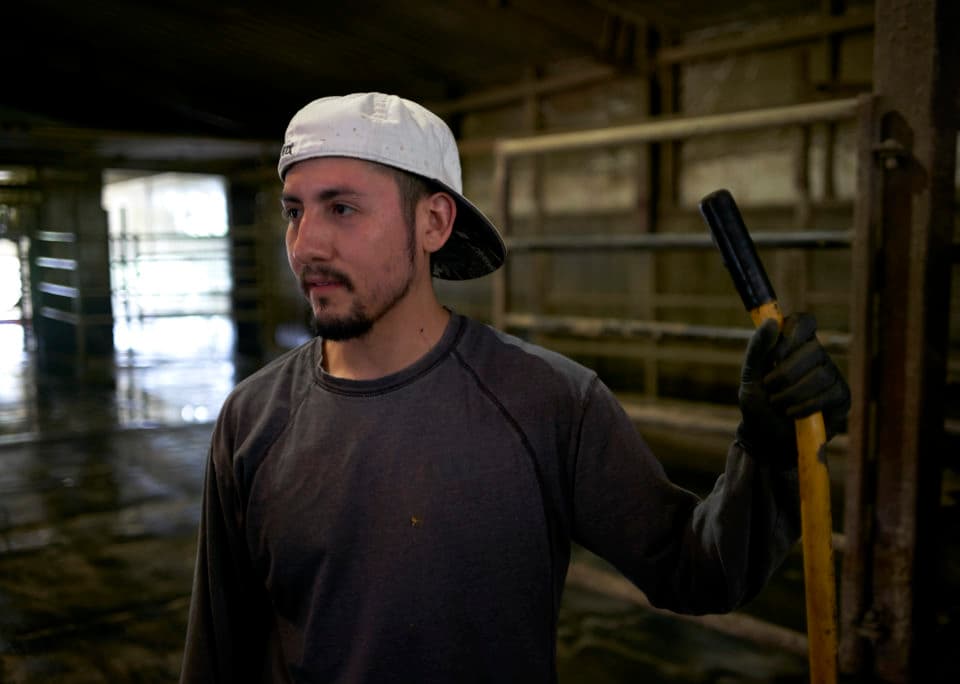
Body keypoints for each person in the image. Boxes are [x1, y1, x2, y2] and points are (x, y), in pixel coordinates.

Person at [180, 92, 851, 683]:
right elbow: (219, 649)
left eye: (343, 208)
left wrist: (767, 451)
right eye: (295, 211)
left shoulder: (547, 400)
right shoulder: (253, 418)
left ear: (434, 224)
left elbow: (699, 570)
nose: (305, 245)